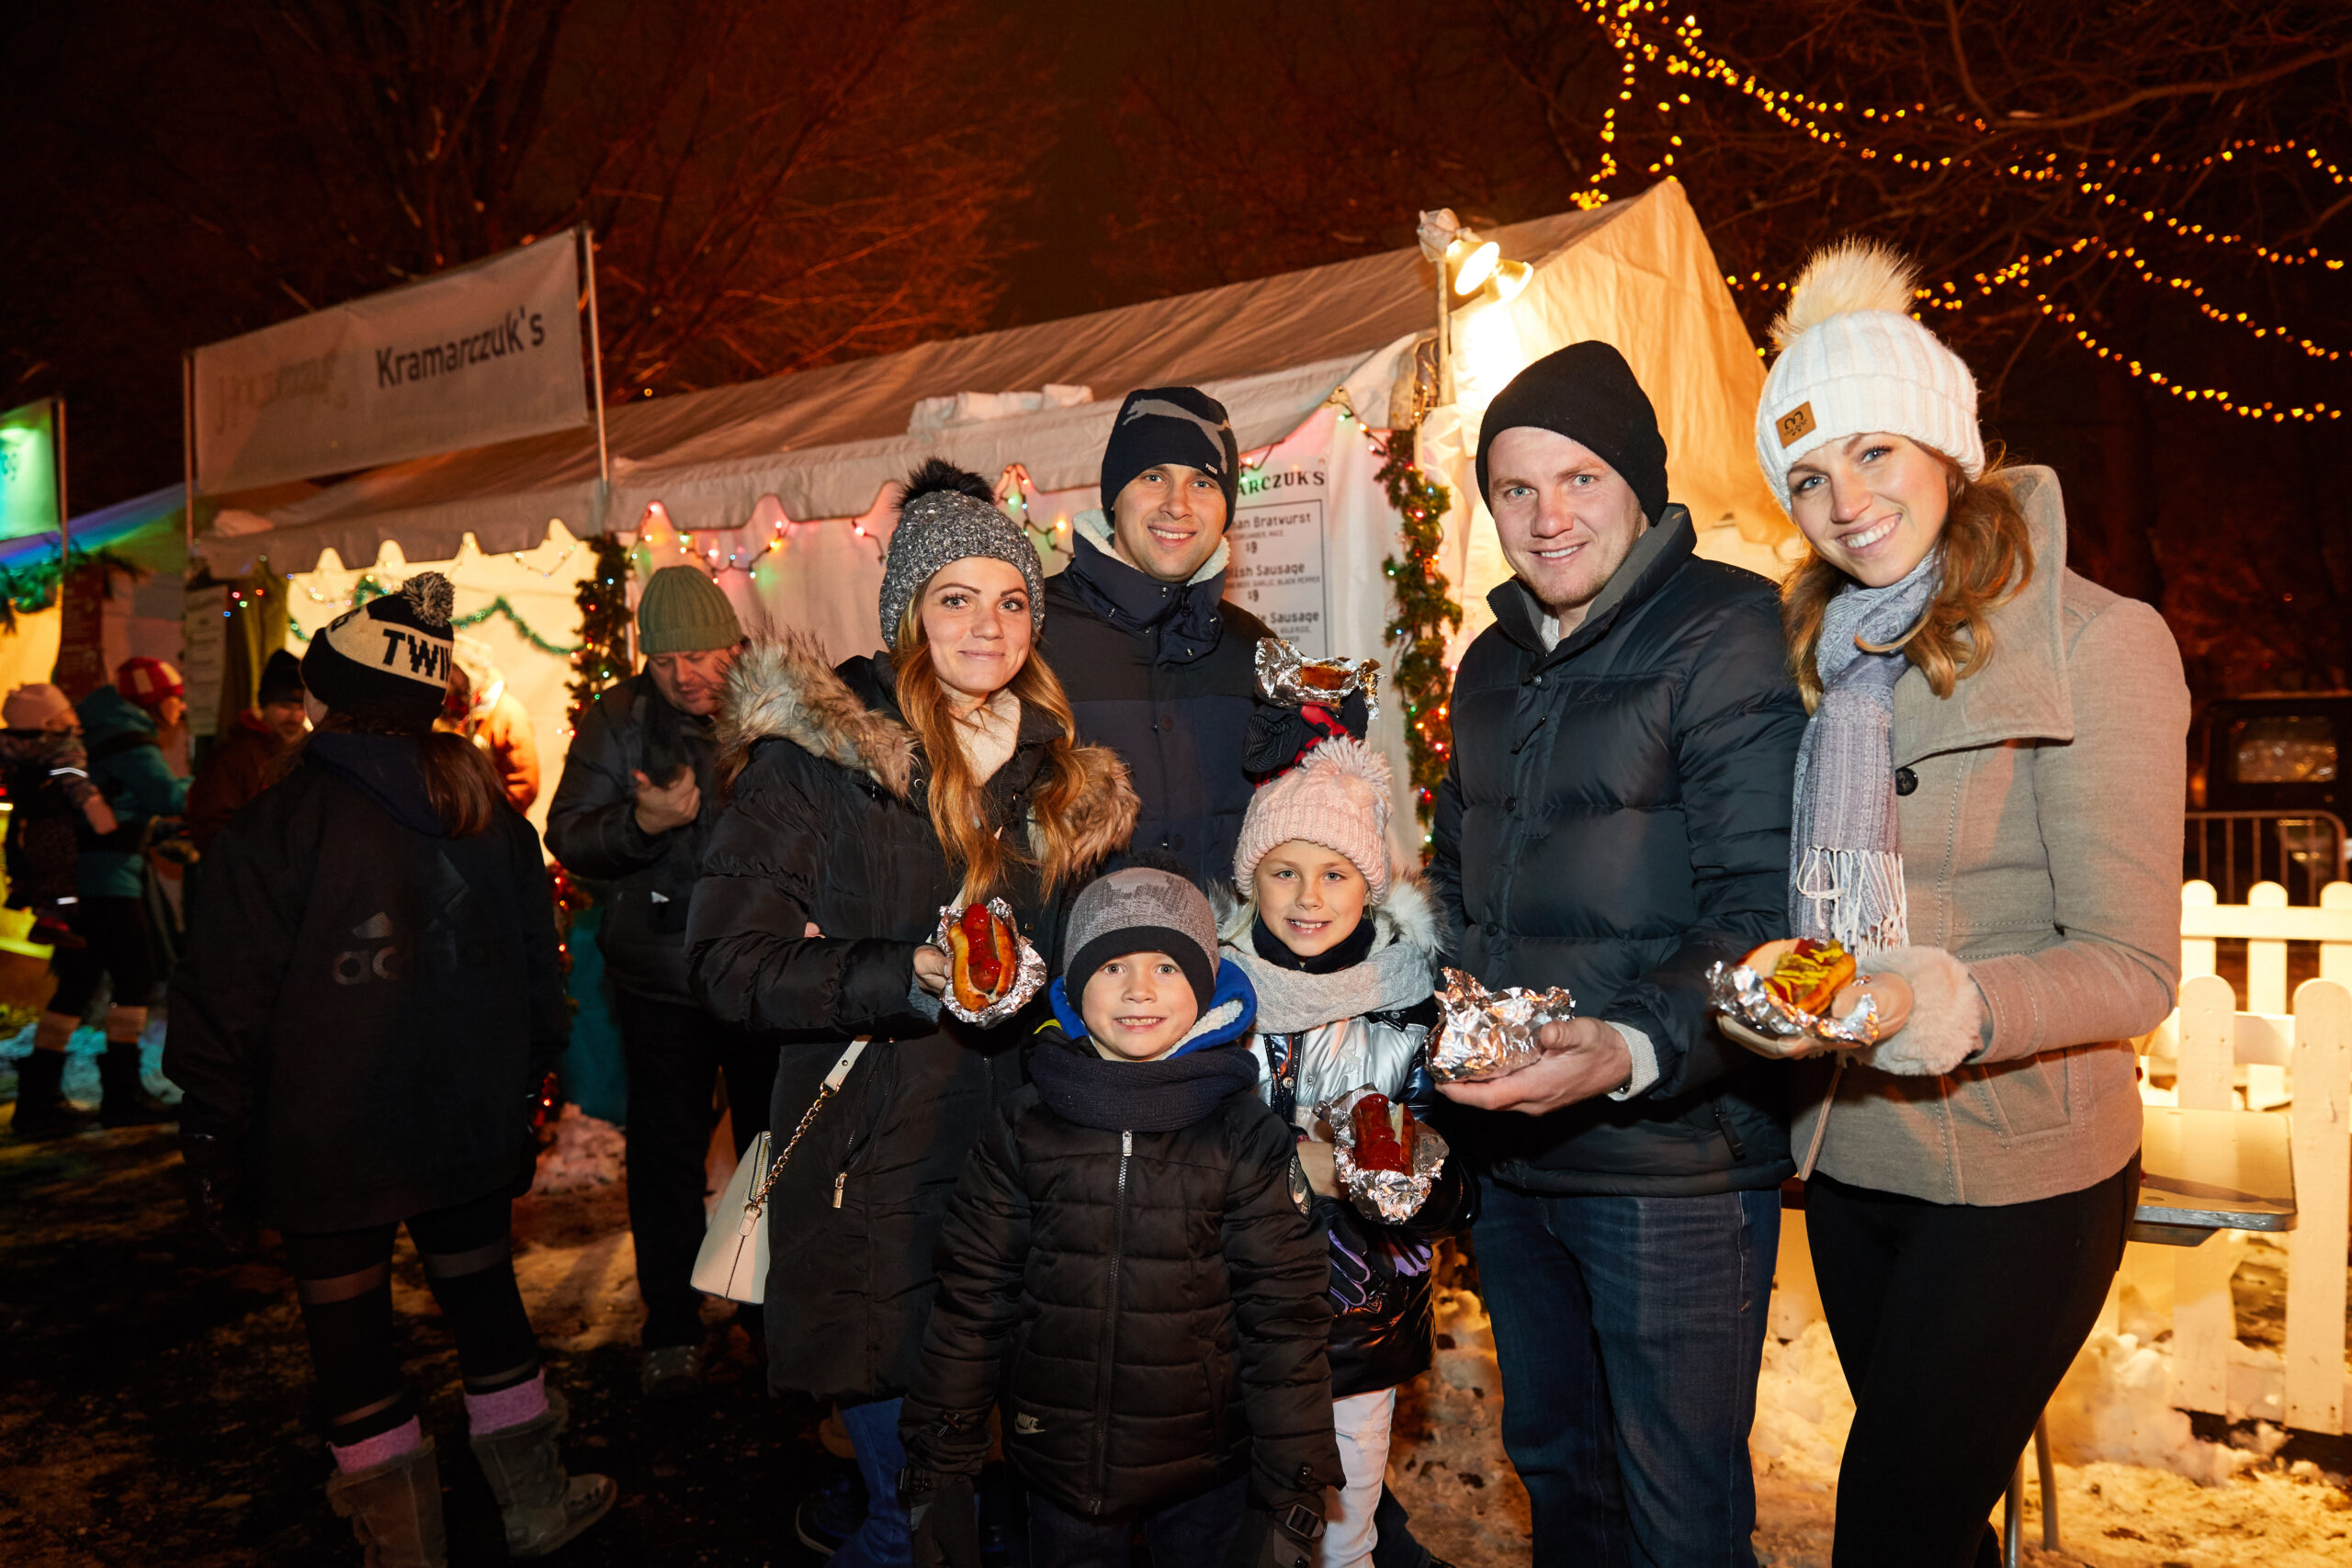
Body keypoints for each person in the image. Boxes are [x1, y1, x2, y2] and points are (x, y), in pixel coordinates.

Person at [1741, 241, 2185, 1568]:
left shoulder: (2100, 639)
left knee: (1890, 1525)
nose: (1845, 498)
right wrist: (1791, 982)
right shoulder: (1815, 661)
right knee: (1931, 1527)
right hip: (1854, 1149)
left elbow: (2133, 966)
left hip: (2024, 1168)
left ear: (1948, 447)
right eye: (1808, 475)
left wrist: (1950, 996)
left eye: (1875, 452)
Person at [687, 459, 1139, 1566]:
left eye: (1010, 599)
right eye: (954, 598)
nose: (987, 626)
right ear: (904, 615)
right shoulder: (819, 770)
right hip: (874, 1186)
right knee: (914, 1523)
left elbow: (1081, 973)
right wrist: (911, 975)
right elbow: (727, 966)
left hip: (1024, 1186)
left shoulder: (1055, 781)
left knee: (1035, 1511)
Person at [1427, 341, 1808, 1566]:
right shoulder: (1488, 662)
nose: (1546, 517)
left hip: (1674, 1164)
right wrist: (1453, 990)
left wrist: (1630, 1045)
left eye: (1578, 478)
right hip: (1516, 1156)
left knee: (1676, 1511)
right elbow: (1455, 868)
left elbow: (1769, 912)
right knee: (1561, 1484)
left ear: (1638, 482)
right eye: (1515, 488)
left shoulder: (1730, 629)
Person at [165, 573, 614, 1568]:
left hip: (327, 1138)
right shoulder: (482, 809)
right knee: (485, 1303)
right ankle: (532, 1504)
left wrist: (210, 1136)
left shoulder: (278, 824)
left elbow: (224, 997)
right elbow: (542, 969)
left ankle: (402, 1549)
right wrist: (530, 1085)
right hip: (464, 1123)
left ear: (327, 700)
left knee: (351, 1341)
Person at [899, 863, 1340, 1568]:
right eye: (1113, 968)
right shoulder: (1025, 1126)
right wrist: (941, 1458)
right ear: (1073, 987)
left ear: (1205, 984)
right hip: (1058, 1459)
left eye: (1168, 966)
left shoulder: (1243, 1135)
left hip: (1205, 1464)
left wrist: (1296, 1483)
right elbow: (973, 1298)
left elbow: (1285, 1316)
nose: (1140, 990)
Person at [1221, 739, 1471, 1568]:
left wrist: (1401, 1177)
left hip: (1360, 1327)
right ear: (1250, 877)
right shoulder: (1210, 998)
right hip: (1224, 1320)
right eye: (1283, 871)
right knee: (1236, 1531)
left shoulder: (1413, 1005)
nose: (1308, 896)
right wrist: (1294, 1166)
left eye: (1335, 873)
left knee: (1341, 1536)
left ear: (1371, 882)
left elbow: (1459, 1188)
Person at [544, 563, 775, 1399]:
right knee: (666, 1156)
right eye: (668, 657)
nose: (687, 674)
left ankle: (764, 1312)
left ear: (736, 645)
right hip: (660, 980)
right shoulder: (617, 719)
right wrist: (640, 822)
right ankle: (672, 1321)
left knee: (766, 1150)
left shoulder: (773, 708)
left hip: (758, 973)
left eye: (704, 653)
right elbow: (567, 831)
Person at [1038, 386, 1276, 887]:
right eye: (1153, 477)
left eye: (1203, 484)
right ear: (1114, 497)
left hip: (1226, 964)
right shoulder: (1031, 634)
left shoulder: (1252, 649)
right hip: (1079, 964)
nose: (1178, 505)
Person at [38, 658, 195, 1129]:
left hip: (82, 877)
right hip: (108, 881)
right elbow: (170, 796)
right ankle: (122, 1093)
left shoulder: (101, 728)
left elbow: (124, 805)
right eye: (175, 696)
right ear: (152, 698)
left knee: (80, 982)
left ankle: (38, 1098)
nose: (181, 706)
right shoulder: (129, 738)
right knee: (135, 978)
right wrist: (213, 787)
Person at [2, 682, 118, 1136]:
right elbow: (76, 781)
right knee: (78, 978)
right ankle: (39, 1100)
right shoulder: (64, 748)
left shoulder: (13, 748)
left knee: (75, 978)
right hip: (60, 838)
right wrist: (98, 812)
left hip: (26, 836)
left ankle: (39, 1096)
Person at [187, 649, 309, 852]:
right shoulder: (233, 756)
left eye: (301, 707)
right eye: (284, 706)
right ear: (264, 706)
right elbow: (211, 828)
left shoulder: (307, 753)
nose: (295, 717)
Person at [443, 644, 541, 812]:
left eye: (454, 667)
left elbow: (525, 785)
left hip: (489, 826)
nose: (447, 674)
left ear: (470, 671)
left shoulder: (509, 716)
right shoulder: (450, 710)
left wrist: (492, 820)